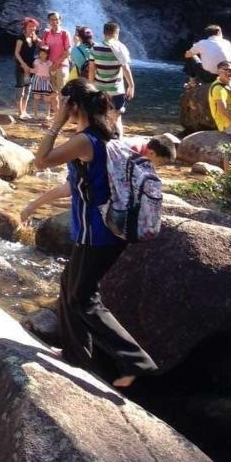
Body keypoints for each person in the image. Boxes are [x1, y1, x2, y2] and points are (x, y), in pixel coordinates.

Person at [29, 80, 157, 387]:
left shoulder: (85, 140)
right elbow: (77, 185)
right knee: (68, 284)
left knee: (85, 298)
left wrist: (56, 123)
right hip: (100, 228)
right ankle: (76, 354)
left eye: (64, 105)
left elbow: (40, 160)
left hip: (98, 232)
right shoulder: (105, 132)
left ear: (73, 106)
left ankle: (138, 362)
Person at [89, 21, 134, 135]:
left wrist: (91, 87)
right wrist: (131, 85)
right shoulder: (120, 48)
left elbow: (91, 70)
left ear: (104, 33)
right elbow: (125, 68)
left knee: (99, 118)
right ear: (116, 33)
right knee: (116, 119)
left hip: (100, 89)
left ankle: (100, 146)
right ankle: (119, 145)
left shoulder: (95, 48)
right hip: (116, 90)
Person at [42, 11, 71, 110]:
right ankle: (56, 115)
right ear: (49, 21)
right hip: (49, 66)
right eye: (52, 20)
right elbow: (43, 48)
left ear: (60, 21)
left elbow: (68, 51)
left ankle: (64, 114)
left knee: (62, 92)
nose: (55, 22)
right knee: (52, 92)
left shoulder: (64, 33)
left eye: (57, 19)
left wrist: (57, 63)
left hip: (62, 66)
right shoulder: (46, 33)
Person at [14, 17, 39, 119]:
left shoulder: (34, 37)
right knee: (20, 88)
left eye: (33, 27)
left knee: (27, 88)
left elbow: (44, 44)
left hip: (30, 68)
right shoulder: (21, 37)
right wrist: (23, 64)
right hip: (21, 67)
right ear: (25, 27)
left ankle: (24, 111)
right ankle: (20, 112)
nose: (32, 28)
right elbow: (16, 53)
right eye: (30, 26)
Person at [30, 44, 54, 124]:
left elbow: (50, 73)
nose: (42, 55)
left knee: (47, 99)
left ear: (47, 54)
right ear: (39, 53)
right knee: (36, 98)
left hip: (46, 80)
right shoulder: (36, 61)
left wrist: (52, 79)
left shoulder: (50, 62)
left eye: (44, 53)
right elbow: (34, 70)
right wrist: (27, 69)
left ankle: (47, 114)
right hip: (37, 80)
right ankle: (35, 114)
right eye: (41, 53)